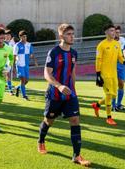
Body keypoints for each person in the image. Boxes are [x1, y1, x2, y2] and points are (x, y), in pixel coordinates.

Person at [37, 24, 91, 166]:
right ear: (61, 36)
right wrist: (59, 86)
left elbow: (72, 72)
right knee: (49, 121)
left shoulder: (74, 53)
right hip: (55, 94)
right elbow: (46, 73)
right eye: (68, 34)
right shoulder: (53, 52)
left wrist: (74, 89)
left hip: (70, 95)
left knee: (75, 120)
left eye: (73, 34)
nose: (72, 36)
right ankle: (41, 140)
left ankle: (76, 155)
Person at [91, 24, 125, 126]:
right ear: (106, 32)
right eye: (111, 31)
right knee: (109, 95)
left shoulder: (117, 44)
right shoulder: (101, 45)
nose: (113, 33)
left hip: (113, 73)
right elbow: (98, 60)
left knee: (113, 95)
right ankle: (109, 117)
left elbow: (120, 57)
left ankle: (97, 105)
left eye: (114, 31)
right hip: (104, 74)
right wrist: (98, 74)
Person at [14, 30, 38, 100]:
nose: (25, 38)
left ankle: (18, 88)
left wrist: (35, 61)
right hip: (19, 65)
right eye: (23, 36)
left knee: (26, 81)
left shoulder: (29, 45)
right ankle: (24, 96)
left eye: (25, 36)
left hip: (26, 66)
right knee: (23, 80)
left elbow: (32, 54)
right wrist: (14, 66)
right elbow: (14, 56)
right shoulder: (17, 45)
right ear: (20, 37)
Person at [112, 26, 125, 111]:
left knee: (121, 84)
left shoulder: (123, 39)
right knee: (114, 85)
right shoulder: (110, 41)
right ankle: (113, 105)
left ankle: (119, 104)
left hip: (121, 64)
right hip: (112, 64)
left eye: (118, 32)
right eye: (116, 32)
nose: (117, 34)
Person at [4, 29, 16, 95]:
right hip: (3, 61)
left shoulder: (12, 43)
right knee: (4, 75)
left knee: (8, 75)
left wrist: (13, 62)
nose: (8, 36)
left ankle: (10, 89)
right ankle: (8, 88)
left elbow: (14, 53)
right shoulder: (3, 43)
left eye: (9, 35)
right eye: (6, 35)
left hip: (9, 61)